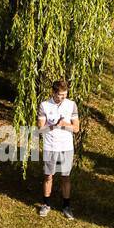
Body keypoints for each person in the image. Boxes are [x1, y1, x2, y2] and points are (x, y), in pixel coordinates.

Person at [36, 79, 79, 219]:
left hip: (66, 147)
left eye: (65, 94)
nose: (63, 97)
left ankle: (66, 206)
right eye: (60, 95)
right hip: (50, 146)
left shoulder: (71, 105)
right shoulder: (44, 105)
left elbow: (76, 128)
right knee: (48, 176)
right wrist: (54, 126)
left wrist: (64, 124)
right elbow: (41, 129)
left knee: (65, 176)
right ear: (54, 92)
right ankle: (46, 204)